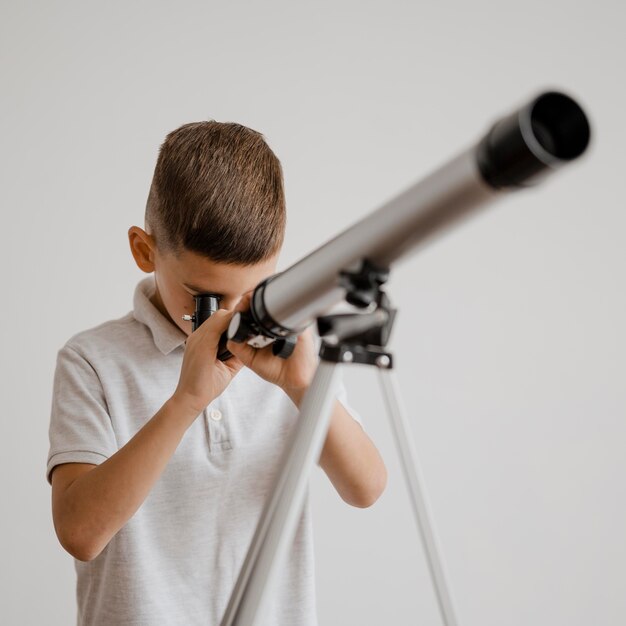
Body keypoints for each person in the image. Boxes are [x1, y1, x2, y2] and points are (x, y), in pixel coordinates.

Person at [46, 120, 388, 626]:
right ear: (145, 251)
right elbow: (80, 533)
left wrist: (302, 387)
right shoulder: (93, 359)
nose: (229, 315)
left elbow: (366, 489)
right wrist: (185, 401)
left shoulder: (287, 357)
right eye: (205, 297)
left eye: (252, 292)